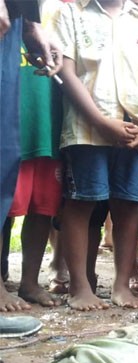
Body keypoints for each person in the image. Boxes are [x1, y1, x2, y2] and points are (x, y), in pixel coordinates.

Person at [54, 0, 138, 310]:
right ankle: (80, 286)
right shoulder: (71, 14)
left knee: (128, 205)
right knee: (81, 202)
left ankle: (121, 286)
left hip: (135, 131)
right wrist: (100, 121)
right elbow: (65, 72)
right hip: (86, 130)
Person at [1, 0, 62, 312]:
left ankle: (30, 281)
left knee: (42, 205)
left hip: (44, 127)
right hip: (13, 126)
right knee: (4, 201)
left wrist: (32, 26)